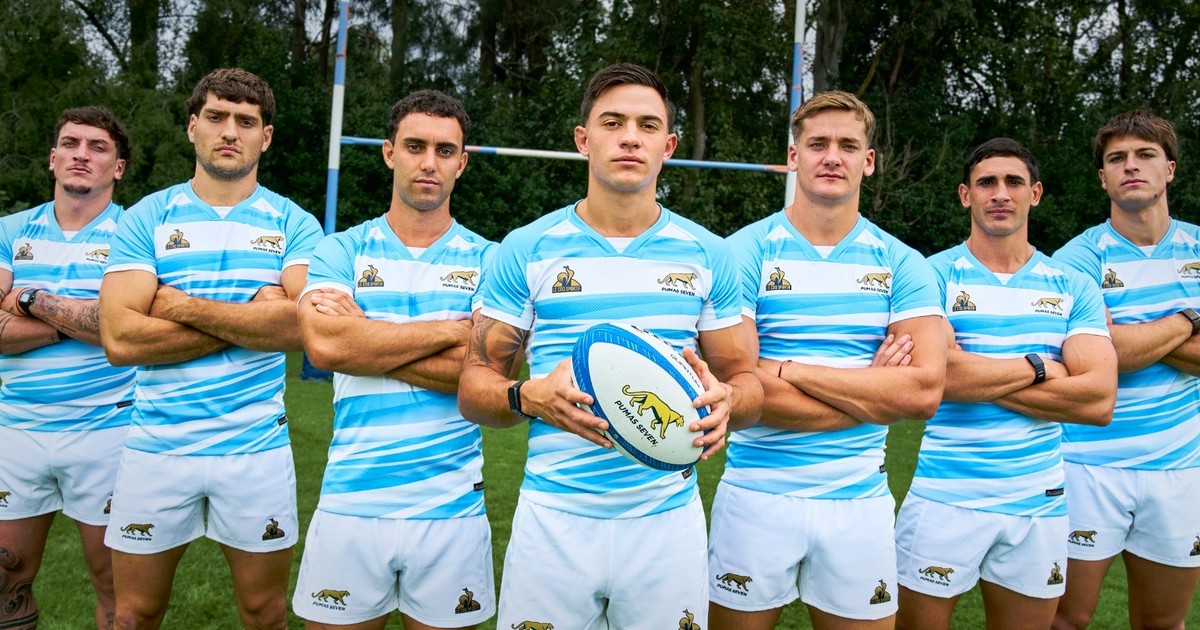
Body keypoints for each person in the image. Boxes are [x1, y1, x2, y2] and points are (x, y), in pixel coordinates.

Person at [458, 62, 762, 629]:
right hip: (554, 518)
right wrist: (527, 396)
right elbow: (474, 387)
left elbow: (746, 383)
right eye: (612, 122)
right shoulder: (526, 248)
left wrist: (730, 403)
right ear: (583, 139)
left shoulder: (709, 254)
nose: (630, 138)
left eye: (648, 126)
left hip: (666, 521)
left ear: (669, 145)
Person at [710, 90, 946, 630]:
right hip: (756, 496)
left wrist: (785, 370)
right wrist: (872, 391)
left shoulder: (903, 263)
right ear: (794, 157)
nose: (832, 157)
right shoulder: (741, 252)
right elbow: (737, 388)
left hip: (859, 502)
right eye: (818, 144)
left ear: (869, 160)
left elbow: (922, 393)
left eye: (848, 145)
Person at [97, 68, 322, 629]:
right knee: (134, 614)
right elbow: (120, 338)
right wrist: (255, 315)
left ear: (265, 137)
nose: (230, 132)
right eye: (217, 117)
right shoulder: (148, 216)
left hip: (255, 450)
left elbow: (307, 331)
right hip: (156, 446)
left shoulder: (294, 222)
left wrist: (176, 304)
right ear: (192, 126)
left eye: (246, 121)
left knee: (265, 613)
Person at [292, 90, 496, 629]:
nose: (429, 162)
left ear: (461, 163)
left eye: (444, 151)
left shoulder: (490, 259)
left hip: (450, 507)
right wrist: (454, 331)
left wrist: (363, 340)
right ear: (389, 153)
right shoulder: (341, 249)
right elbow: (325, 348)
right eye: (414, 146)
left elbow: (487, 372)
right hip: (350, 502)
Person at [893, 138, 1117, 629]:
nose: (1000, 193)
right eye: (986, 183)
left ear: (1034, 193)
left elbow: (1099, 400)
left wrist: (972, 373)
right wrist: (1041, 366)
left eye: (1014, 182)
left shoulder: (1072, 284)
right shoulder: (930, 275)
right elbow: (935, 377)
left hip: (1038, 503)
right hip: (944, 495)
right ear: (965, 195)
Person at [1052, 110, 1200, 629]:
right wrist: (1187, 318)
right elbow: (1098, 353)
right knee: (1064, 620)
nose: (1131, 166)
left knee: (1164, 623)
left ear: (1170, 169)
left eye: (1145, 155)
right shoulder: (1075, 259)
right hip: (1086, 465)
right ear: (1103, 177)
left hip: (1182, 467)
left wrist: (1130, 334)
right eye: (1117, 158)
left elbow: (1116, 345)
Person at [0, 106, 135, 630]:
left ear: (117, 167)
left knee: (116, 587)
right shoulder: (10, 229)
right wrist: (80, 318)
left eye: (98, 147)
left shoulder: (134, 234)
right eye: (71, 144)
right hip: (16, 427)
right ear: (52, 157)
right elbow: (105, 322)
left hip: (107, 428)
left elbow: (125, 326)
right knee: (6, 576)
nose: (82, 154)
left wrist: (29, 300)